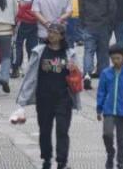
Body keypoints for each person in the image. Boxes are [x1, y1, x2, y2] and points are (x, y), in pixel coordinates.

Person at [15, 22, 80, 169]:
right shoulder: (39, 52)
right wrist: (22, 100)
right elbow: (30, 76)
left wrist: (74, 69)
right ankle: (46, 158)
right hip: (44, 98)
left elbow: (77, 76)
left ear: (62, 36)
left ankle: (62, 161)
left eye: (55, 32)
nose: (51, 35)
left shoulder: (69, 53)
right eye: (49, 31)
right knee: (44, 130)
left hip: (63, 98)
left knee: (62, 130)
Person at [97, 44, 123, 169]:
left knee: (122, 140)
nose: (115, 61)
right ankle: (110, 152)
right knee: (107, 134)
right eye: (113, 58)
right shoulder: (105, 73)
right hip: (108, 110)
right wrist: (99, 108)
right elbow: (101, 92)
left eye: (118, 58)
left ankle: (121, 163)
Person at [78, 0, 117, 89]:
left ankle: (87, 74)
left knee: (88, 50)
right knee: (103, 52)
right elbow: (112, 8)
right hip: (103, 24)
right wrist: (111, 24)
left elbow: (81, 7)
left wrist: (82, 22)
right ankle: (104, 77)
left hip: (89, 23)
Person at [12, 0, 39, 79]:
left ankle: (16, 67)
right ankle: (32, 67)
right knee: (32, 44)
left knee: (18, 44)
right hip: (34, 21)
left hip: (22, 21)